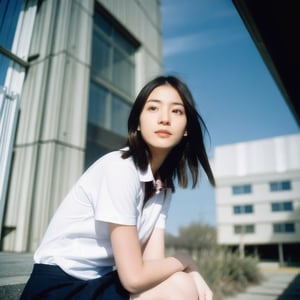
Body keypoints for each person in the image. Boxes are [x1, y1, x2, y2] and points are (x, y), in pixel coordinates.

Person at [21, 75, 215, 300]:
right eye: (153, 108)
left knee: (180, 283)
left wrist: (191, 272)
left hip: (98, 282)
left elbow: (151, 265)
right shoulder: (120, 167)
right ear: (138, 123)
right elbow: (133, 278)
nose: (164, 118)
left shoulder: (163, 188)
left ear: (186, 129)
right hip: (57, 288)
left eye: (177, 111)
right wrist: (185, 260)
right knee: (180, 284)